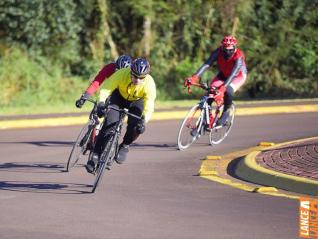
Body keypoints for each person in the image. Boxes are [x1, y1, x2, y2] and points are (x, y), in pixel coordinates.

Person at [79, 57, 156, 173]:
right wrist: (100, 103)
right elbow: (106, 88)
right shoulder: (121, 74)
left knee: (135, 127)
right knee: (108, 124)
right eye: (135, 76)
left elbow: (149, 104)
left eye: (141, 78)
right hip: (119, 98)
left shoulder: (149, 83)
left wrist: (144, 120)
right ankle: (95, 156)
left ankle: (125, 145)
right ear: (130, 72)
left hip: (137, 101)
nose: (137, 80)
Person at [184, 35, 248, 125]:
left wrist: (223, 89)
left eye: (230, 50)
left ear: (235, 48)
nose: (228, 52)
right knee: (210, 92)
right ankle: (206, 118)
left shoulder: (239, 56)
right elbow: (207, 64)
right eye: (225, 50)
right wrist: (194, 77)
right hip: (223, 74)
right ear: (222, 47)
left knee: (228, 90)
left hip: (237, 76)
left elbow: (233, 74)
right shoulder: (218, 51)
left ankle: (226, 112)